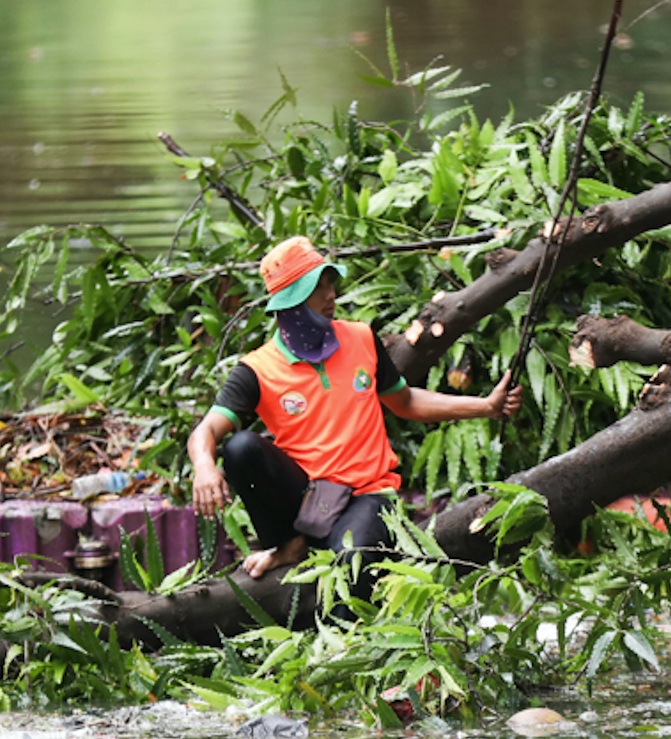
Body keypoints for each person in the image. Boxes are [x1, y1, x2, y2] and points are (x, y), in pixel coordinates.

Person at [188, 236, 522, 583]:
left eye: (330, 283)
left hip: (366, 495)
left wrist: (485, 406)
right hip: (307, 498)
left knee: (353, 564)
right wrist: (203, 466)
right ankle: (289, 545)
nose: (331, 295)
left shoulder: (361, 338)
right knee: (240, 448)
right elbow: (206, 431)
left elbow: (404, 401)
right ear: (291, 300)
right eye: (318, 287)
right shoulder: (258, 369)